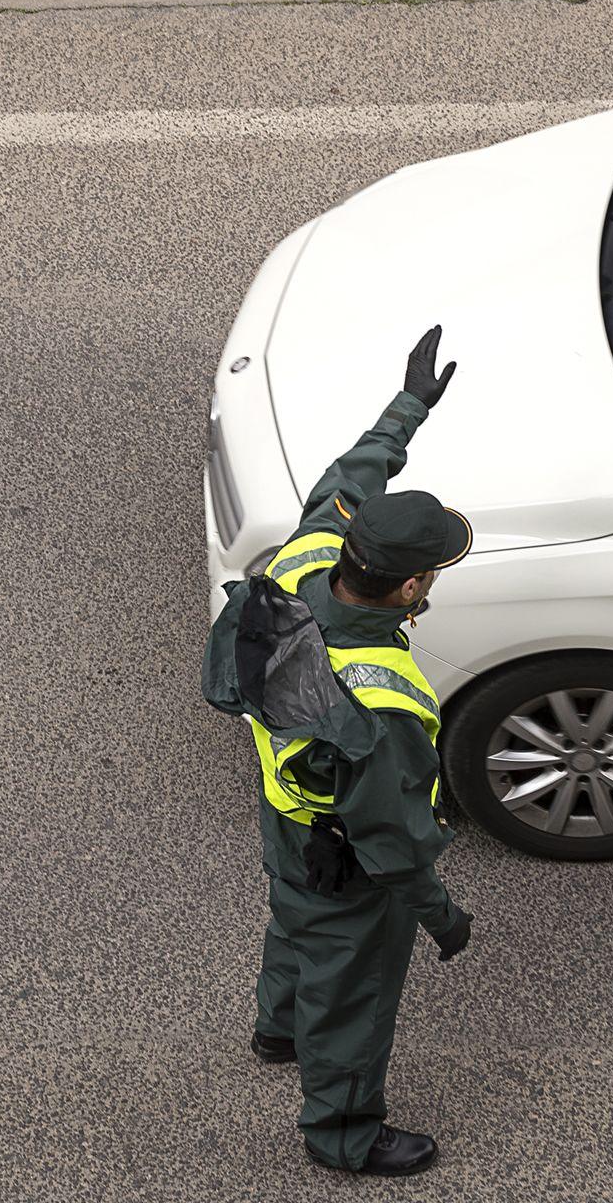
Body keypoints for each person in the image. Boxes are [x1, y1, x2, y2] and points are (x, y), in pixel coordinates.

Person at [202, 327, 472, 1177]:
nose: (435, 581)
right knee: (352, 989)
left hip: (291, 823)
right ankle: (344, 1134)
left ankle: (276, 1029)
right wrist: (439, 915)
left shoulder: (304, 561)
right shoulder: (376, 700)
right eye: (433, 570)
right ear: (406, 587)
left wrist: (408, 409)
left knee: (295, 918)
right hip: (348, 850)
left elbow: (348, 480)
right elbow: (392, 838)